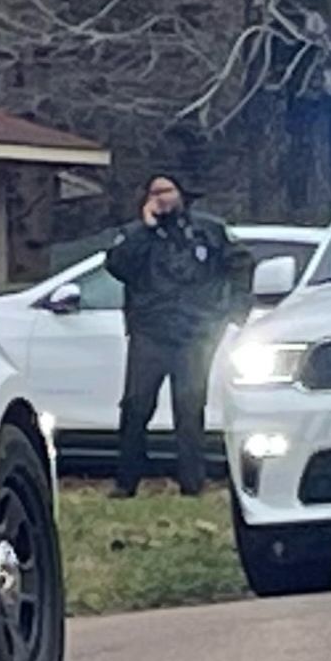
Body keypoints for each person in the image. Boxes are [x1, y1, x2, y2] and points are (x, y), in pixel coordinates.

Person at [104, 173, 246, 497]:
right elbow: (117, 267)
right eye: (154, 192)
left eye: (167, 191)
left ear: (181, 194)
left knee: (189, 409)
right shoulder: (134, 235)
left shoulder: (209, 230)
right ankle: (126, 482)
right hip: (149, 334)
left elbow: (241, 264)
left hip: (195, 334)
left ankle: (192, 484)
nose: (161, 198)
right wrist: (146, 229)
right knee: (136, 407)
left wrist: (234, 311)